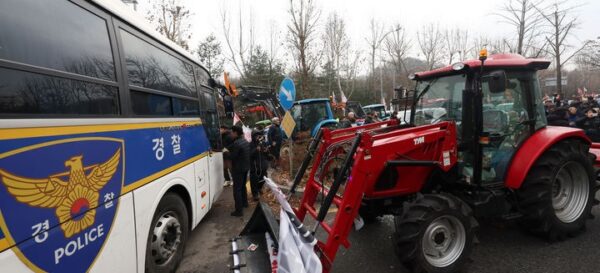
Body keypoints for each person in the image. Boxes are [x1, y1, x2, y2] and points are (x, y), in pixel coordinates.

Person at [228, 125, 250, 217]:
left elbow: (232, 156)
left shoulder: (237, 143)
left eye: (231, 132)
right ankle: (245, 203)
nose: (230, 134)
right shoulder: (245, 140)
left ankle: (238, 211)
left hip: (238, 169)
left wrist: (226, 153)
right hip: (245, 167)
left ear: (236, 133)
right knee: (243, 186)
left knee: (237, 189)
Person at [249, 128, 269, 201]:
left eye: (258, 135)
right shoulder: (250, 144)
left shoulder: (262, 143)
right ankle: (255, 194)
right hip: (254, 165)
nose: (258, 137)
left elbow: (265, 153)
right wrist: (255, 150)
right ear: (253, 136)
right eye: (256, 135)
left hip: (262, 164)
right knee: (254, 180)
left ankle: (259, 188)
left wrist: (266, 151)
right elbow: (250, 155)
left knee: (264, 178)